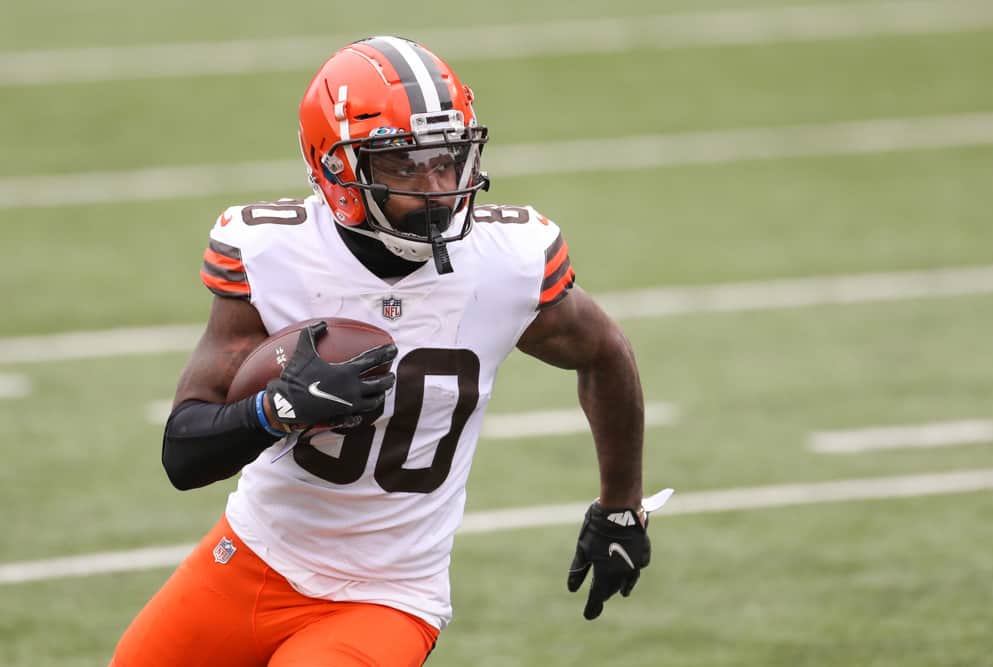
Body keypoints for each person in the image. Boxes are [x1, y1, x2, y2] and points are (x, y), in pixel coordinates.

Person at [111, 35, 656, 667]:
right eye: (402, 164)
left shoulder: (506, 264)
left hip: (389, 593)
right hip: (258, 555)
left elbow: (606, 353)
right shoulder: (276, 257)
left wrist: (621, 507)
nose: (436, 186)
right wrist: (277, 410)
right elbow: (184, 451)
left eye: (447, 158)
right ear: (338, 169)